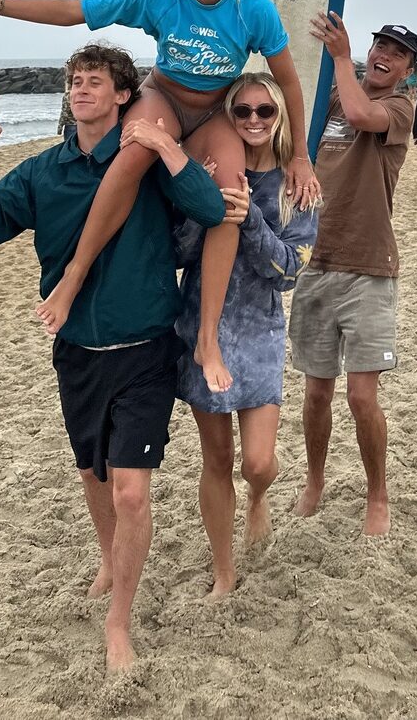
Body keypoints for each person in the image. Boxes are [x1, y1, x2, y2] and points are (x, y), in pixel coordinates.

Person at [0, 0, 319, 393]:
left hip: (214, 111)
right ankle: (73, 277)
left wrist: (301, 156)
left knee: (229, 197)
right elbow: (75, 11)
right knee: (131, 155)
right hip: (164, 96)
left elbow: (289, 82)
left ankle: (206, 339)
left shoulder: (252, 8)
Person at [0, 44, 225, 671]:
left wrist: (171, 148)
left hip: (147, 346)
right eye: (74, 81)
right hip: (77, 354)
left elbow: (208, 211)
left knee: (130, 493)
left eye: (95, 81)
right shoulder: (45, 172)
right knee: (93, 475)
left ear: (124, 95)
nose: (81, 89)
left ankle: (119, 621)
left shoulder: (145, 165)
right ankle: (107, 557)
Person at [174, 72, 318, 595]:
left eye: (266, 111)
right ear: (229, 116)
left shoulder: (298, 185)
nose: (254, 120)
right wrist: (202, 200)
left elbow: (287, 272)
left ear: (280, 116)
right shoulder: (211, 170)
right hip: (200, 327)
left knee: (258, 462)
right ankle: (223, 571)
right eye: (243, 111)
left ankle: (258, 497)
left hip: (258, 333)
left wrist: (249, 217)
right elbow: (179, 252)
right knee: (216, 459)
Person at [290, 17, 417, 536]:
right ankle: (315, 481)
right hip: (315, 262)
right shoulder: (331, 98)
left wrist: (341, 57)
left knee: (362, 396)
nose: (384, 54)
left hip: (369, 267)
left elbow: (364, 115)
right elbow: (291, 133)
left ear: (409, 68)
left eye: (397, 52)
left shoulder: (399, 109)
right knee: (316, 394)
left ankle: (377, 495)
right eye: (379, 44)